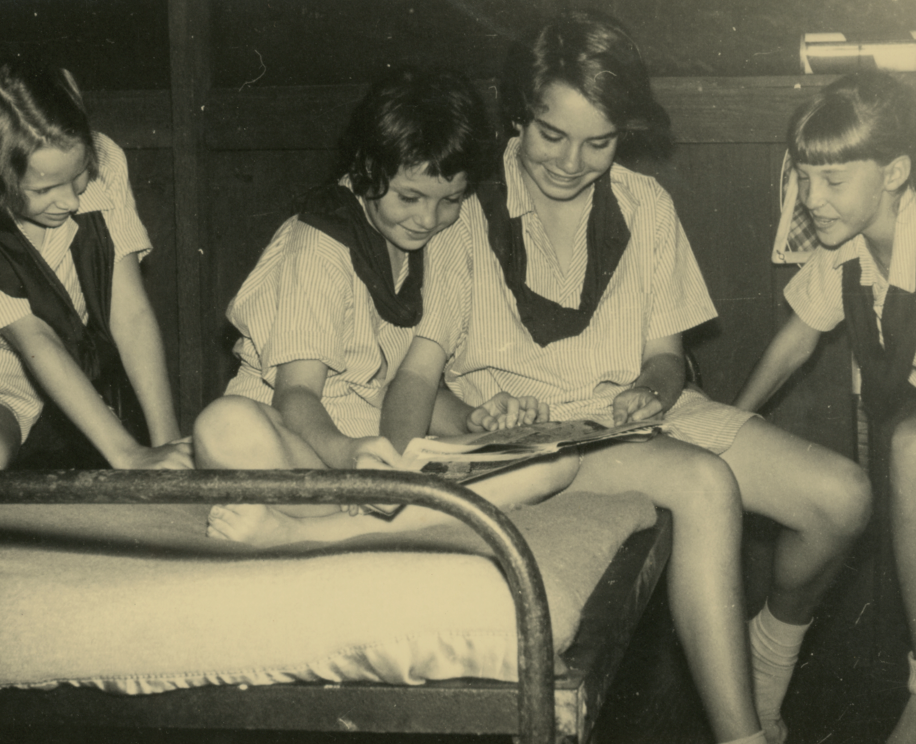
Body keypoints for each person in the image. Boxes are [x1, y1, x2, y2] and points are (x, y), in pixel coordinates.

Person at [381, 11, 872, 744]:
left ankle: (765, 653)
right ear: (519, 113)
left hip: (635, 416)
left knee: (842, 497)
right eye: (552, 135)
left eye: (599, 142)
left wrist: (654, 389)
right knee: (703, 480)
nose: (571, 162)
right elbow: (416, 377)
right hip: (538, 439)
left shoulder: (646, 205)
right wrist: (397, 474)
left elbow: (666, 359)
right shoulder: (462, 207)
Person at [194, 65, 577, 546]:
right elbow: (296, 396)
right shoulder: (318, 242)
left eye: (450, 199)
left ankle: (311, 532)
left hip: (380, 462)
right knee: (223, 424)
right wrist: (347, 456)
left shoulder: (444, 238)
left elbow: (408, 382)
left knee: (558, 457)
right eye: (409, 197)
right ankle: (358, 526)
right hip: (305, 452)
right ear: (368, 168)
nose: (427, 219)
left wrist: (471, 420)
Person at [732, 70, 916, 744]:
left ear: (895, 173)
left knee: (910, 449)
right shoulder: (848, 249)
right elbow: (797, 339)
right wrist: (734, 421)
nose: (812, 199)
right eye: (804, 178)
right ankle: (761, 683)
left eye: (833, 181)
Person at [0, 57, 191, 470]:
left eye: (79, 175)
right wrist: (128, 454)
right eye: (45, 190)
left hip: (55, 375)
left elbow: (130, 312)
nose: (71, 201)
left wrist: (167, 443)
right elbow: (36, 339)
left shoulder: (106, 160)